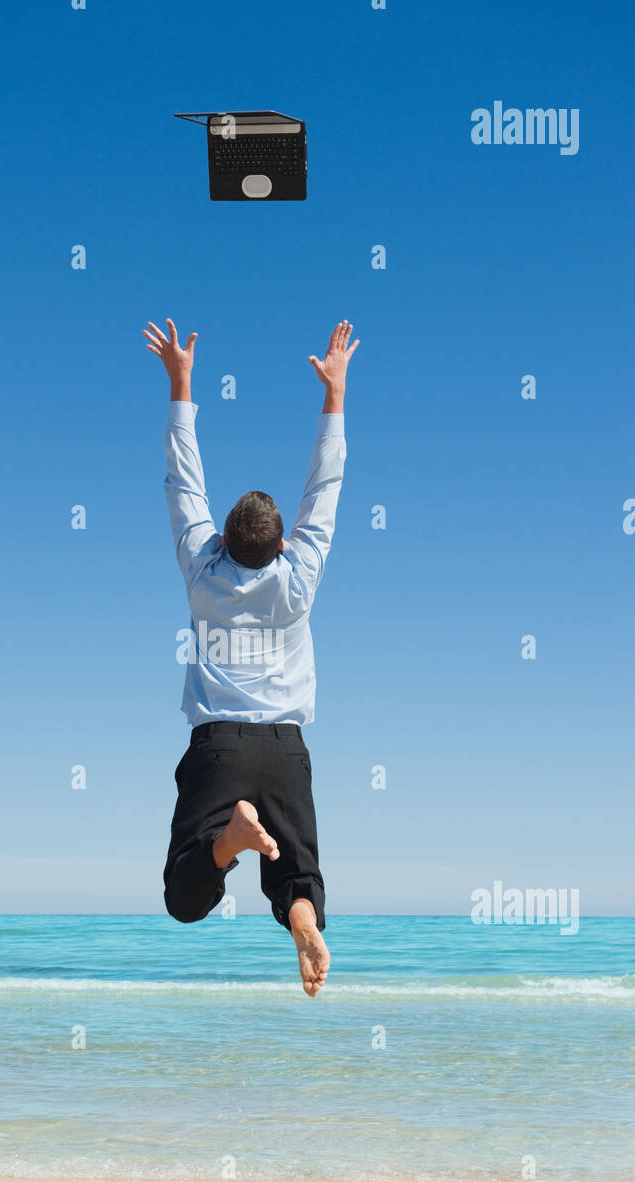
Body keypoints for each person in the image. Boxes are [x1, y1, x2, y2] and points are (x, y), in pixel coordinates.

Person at [143, 318, 359, 995]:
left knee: (186, 894)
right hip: (285, 751)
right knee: (299, 881)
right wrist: (334, 395)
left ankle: (231, 837)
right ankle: (299, 915)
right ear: (281, 547)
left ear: (224, 540)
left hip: (218, 746)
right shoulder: (298, 581)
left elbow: (184, 484)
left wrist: (180, 382)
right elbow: (324, 490)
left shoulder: (202, 573)